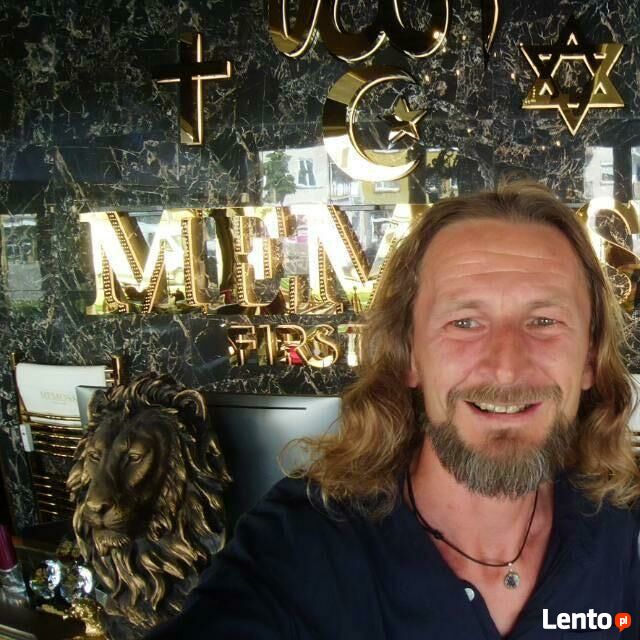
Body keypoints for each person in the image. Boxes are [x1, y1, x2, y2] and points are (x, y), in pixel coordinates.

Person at [147, 183, 640, 639]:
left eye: (545, 321)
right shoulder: (300, 546)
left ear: (590, 358)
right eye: (465, 322)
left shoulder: (620, 522)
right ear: (409, 357)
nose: (507, 368)